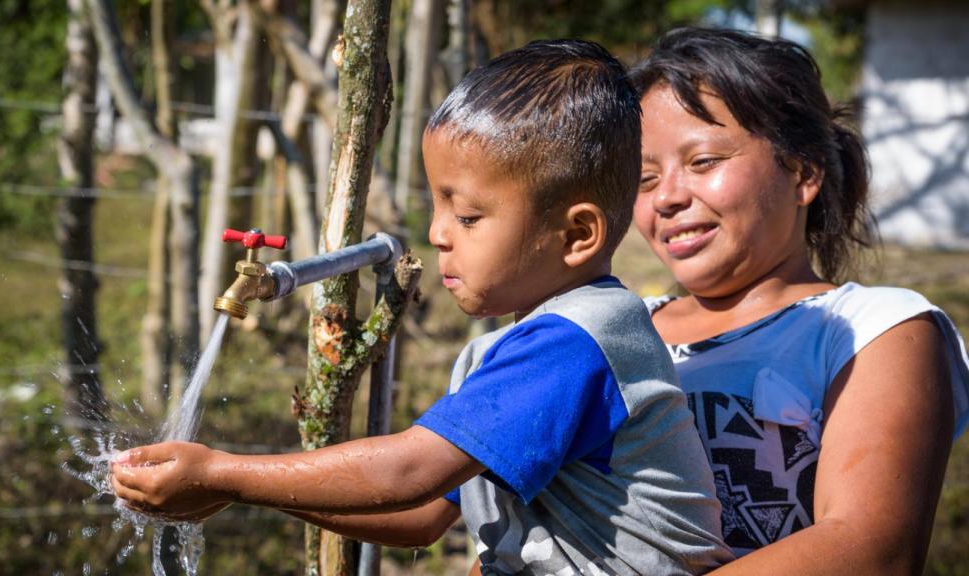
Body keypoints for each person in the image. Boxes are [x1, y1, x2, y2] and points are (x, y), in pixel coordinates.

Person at [111, 39, 733, 574]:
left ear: (576, 235)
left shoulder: (576, 345)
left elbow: (409, 473)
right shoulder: (509, 353)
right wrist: (239, 492)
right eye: (437, 208)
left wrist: (227, 474)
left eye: (466, 215)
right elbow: (421, 516)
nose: (438, 233)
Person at [628, 27, 969, 574]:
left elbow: (869, 549)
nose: (667, 196)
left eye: (704, 161)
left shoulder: (873, 329)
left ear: (803, 172)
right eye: (644, 178)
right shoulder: (617, 332)